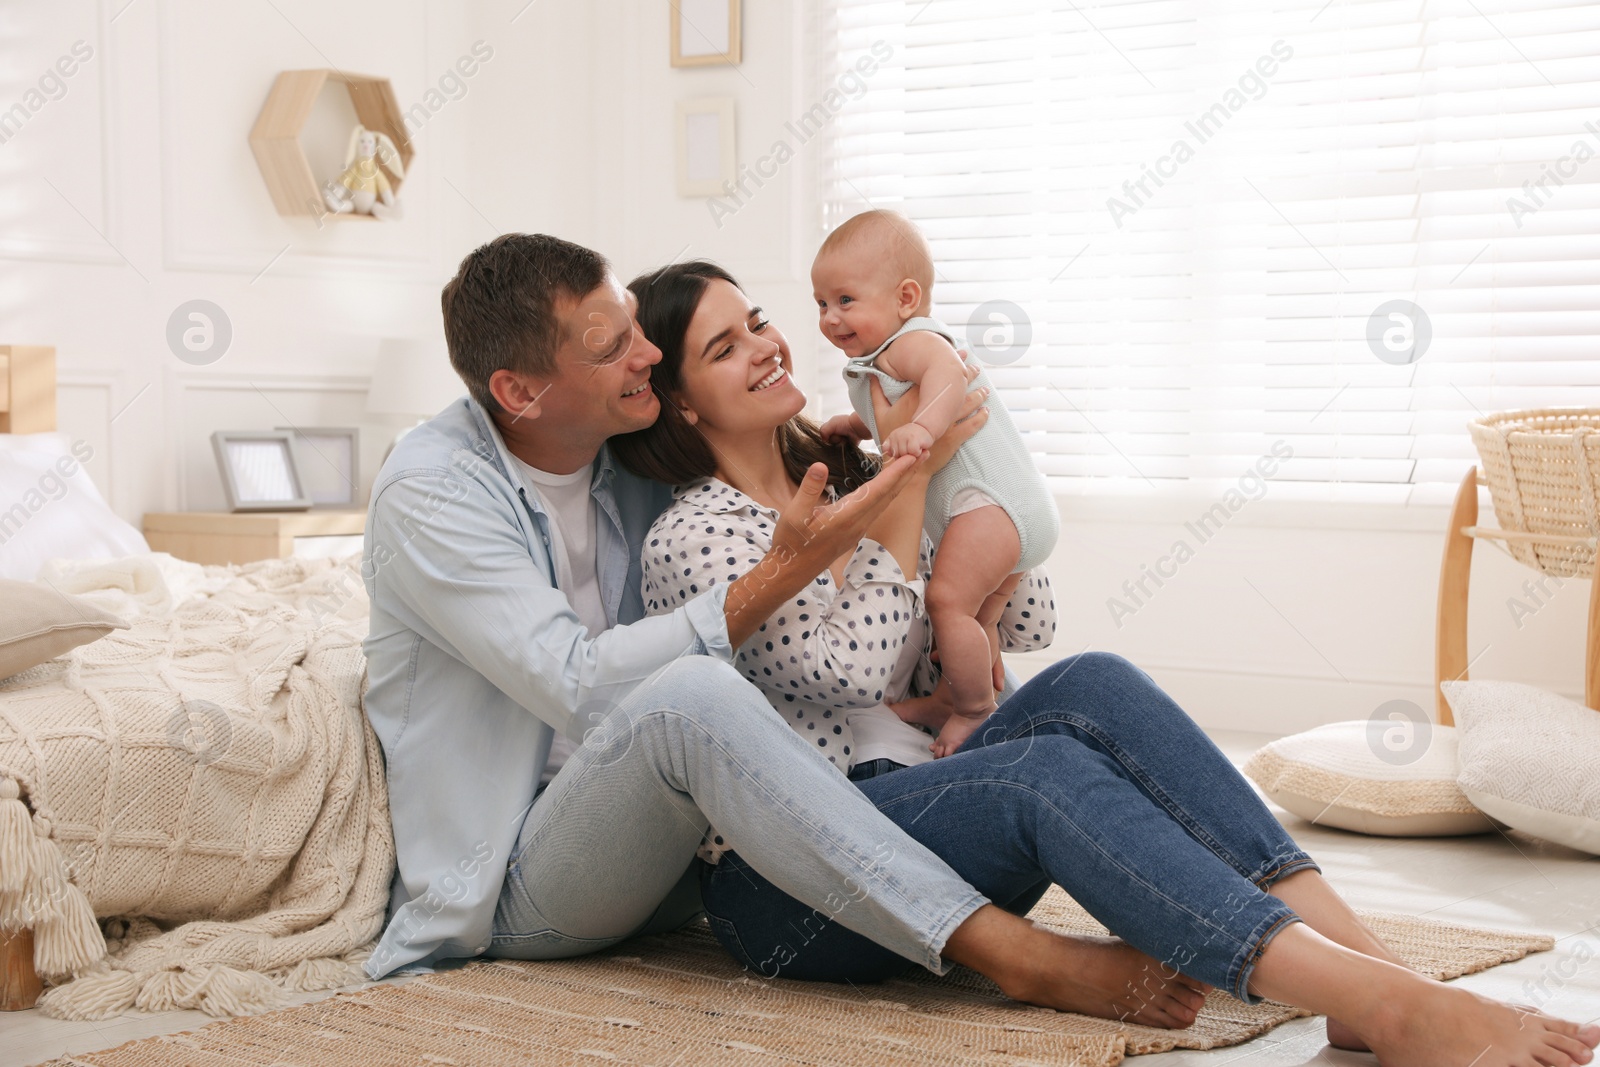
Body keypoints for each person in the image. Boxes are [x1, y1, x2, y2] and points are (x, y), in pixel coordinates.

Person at [610, 256, 1600, 1067]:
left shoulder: (860, 460)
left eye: (757, 319)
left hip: (925, 812)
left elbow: (1031, 610)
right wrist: (899, 512)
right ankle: (1387, 1005)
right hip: (792, 879)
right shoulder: (697, 536)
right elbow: (853, 668)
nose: (767, 343)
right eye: (723, 344)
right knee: (1042, 772)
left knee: (1096, 683)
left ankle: (1369, 970)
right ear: (680, 404)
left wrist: (957, 510)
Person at [360, 233, 1214, 1030]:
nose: (646, 358)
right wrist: (820, 544)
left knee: (1093, 687)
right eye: (613, 345)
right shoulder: (433, 491)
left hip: (675, 854)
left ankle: (1301, 935)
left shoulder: (618, 456)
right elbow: (583, 685)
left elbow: (738, 471)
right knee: (693, 694)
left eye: (636, 329)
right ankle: (1018, 955)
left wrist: (871, 459)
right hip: (523, 871)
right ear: (518, 392)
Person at [811, 210, 1059, 755]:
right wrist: (858, 426)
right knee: (972, 619)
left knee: (945, 600)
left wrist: (922, 429)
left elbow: (946, 376)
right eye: (821, 304)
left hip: (992, 505)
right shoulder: (881, 357)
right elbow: (894, 412)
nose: (830, 318)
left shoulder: (911, 340)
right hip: (1003, 511)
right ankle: (950, 697)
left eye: (845, 300)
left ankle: (974, 709)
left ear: (905, 298)